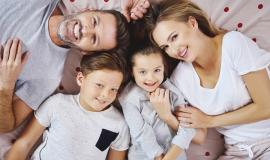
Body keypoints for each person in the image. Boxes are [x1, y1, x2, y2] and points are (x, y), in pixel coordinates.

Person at [0, 0, 131, 158]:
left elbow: (5, 126)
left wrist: (5, 85)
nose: (86, 30)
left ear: (86, 52)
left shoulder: (48, 76)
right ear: (89, 10)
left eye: (94, 39)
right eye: (94, 21)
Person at [149, 0, 270, 159]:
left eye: (174, 37)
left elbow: (266, 107)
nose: (173, 50)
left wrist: (209, 121)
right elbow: (198, 135)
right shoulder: (180, 78)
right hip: (237, 152)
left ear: (192, 23)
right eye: (165, 47)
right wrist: (167, 117)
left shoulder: (233, 44)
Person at [6, 52, 130, 160]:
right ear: (81, 79)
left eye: (113, 89)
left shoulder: (118, 124)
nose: (105, 95)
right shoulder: (57, 104)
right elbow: (24, 143)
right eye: (99, 85)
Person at [119, 44, 206, 160]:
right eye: (142, 72)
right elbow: (142, 133)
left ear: (164, 69)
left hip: (175, 153)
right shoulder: (129, 98)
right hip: (143, 154)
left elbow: (187, 129)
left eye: (157, 70)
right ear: (132, 72)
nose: (150, 78)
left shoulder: (173, 91)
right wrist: (158, 156)